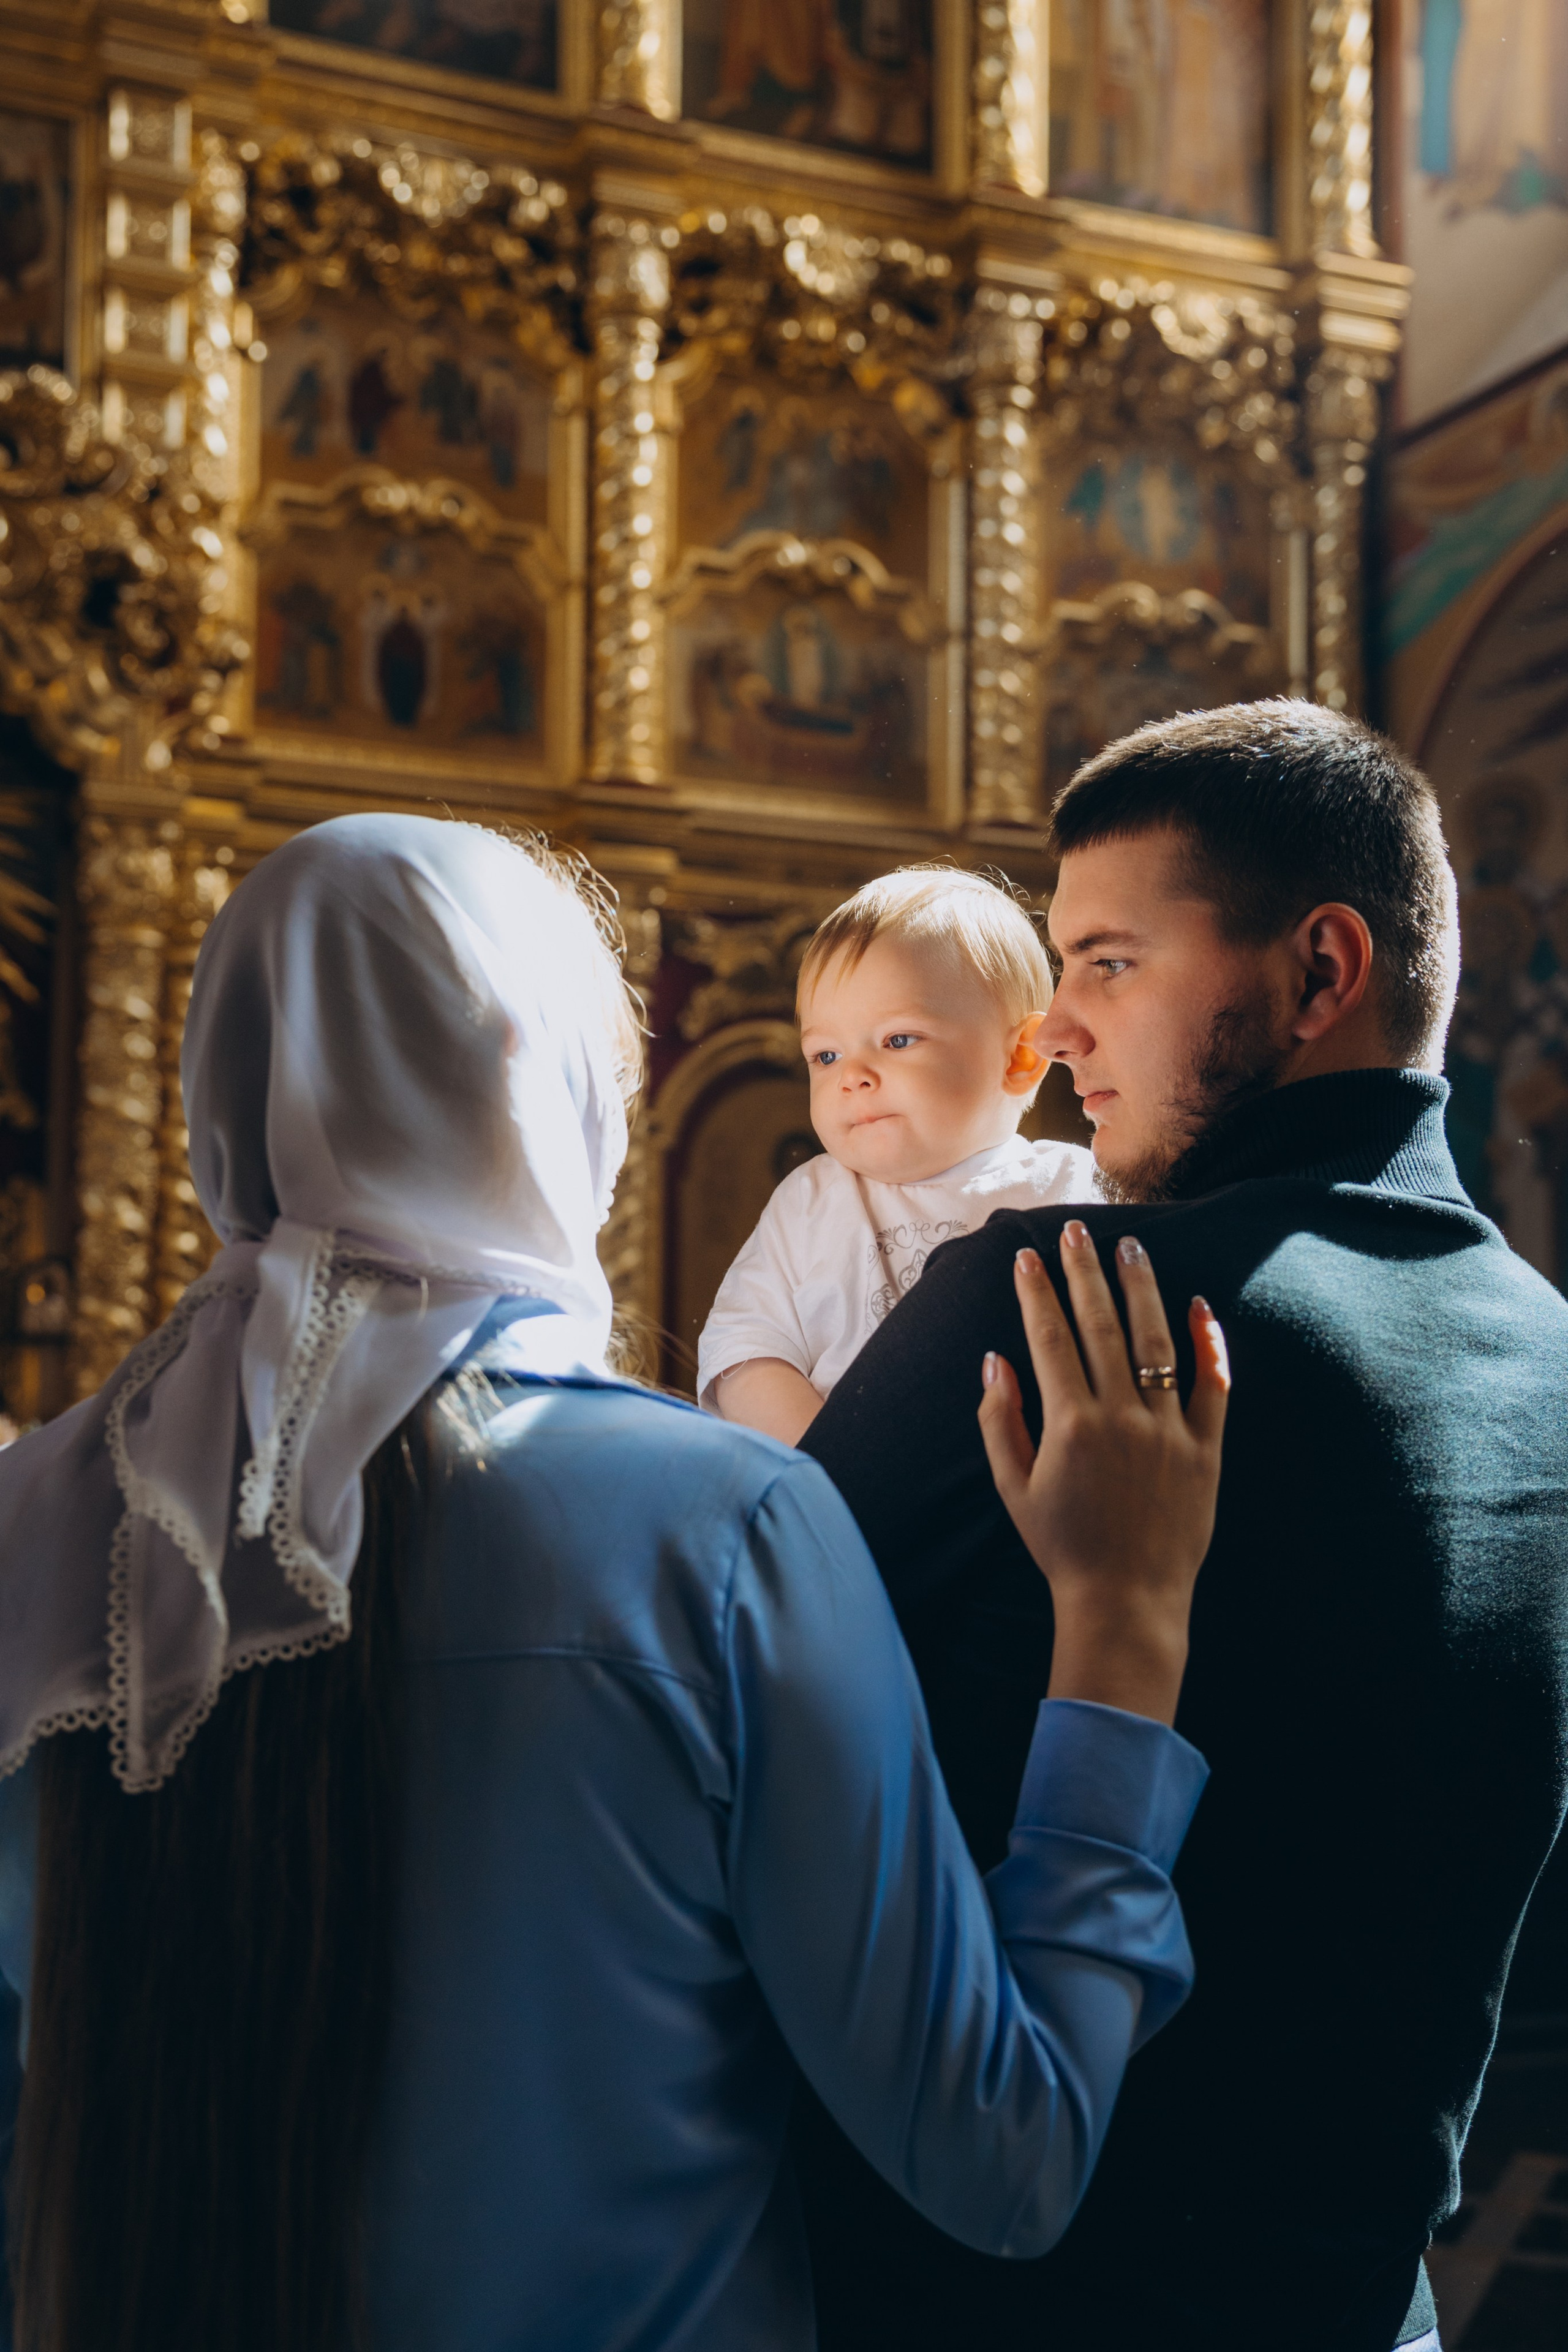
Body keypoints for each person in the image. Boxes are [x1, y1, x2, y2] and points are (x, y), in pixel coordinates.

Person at [0, 813, 1229, 2352]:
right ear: (554, 1083)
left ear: (222, 1075)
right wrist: (1120, 1618)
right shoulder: (724, 1530)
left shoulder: (32, 1530)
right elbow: (1003, 2150)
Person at [794, 699, 1568, 2352]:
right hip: (1367, 2305)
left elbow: (731, 1724)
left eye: (1111, 962)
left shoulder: (1067, 1303)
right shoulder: (1553, 1356)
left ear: (1319, 971)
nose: (1057, 1028)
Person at [699, 867, 1095, 1444]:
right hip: (840, 1495)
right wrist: (833, 1477)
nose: (852, 1076)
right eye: (826, 1055)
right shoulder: (810, 1200)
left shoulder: (1071, 1189)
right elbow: (745, 1353)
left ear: (1019, 1059)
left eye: (898, 1041)